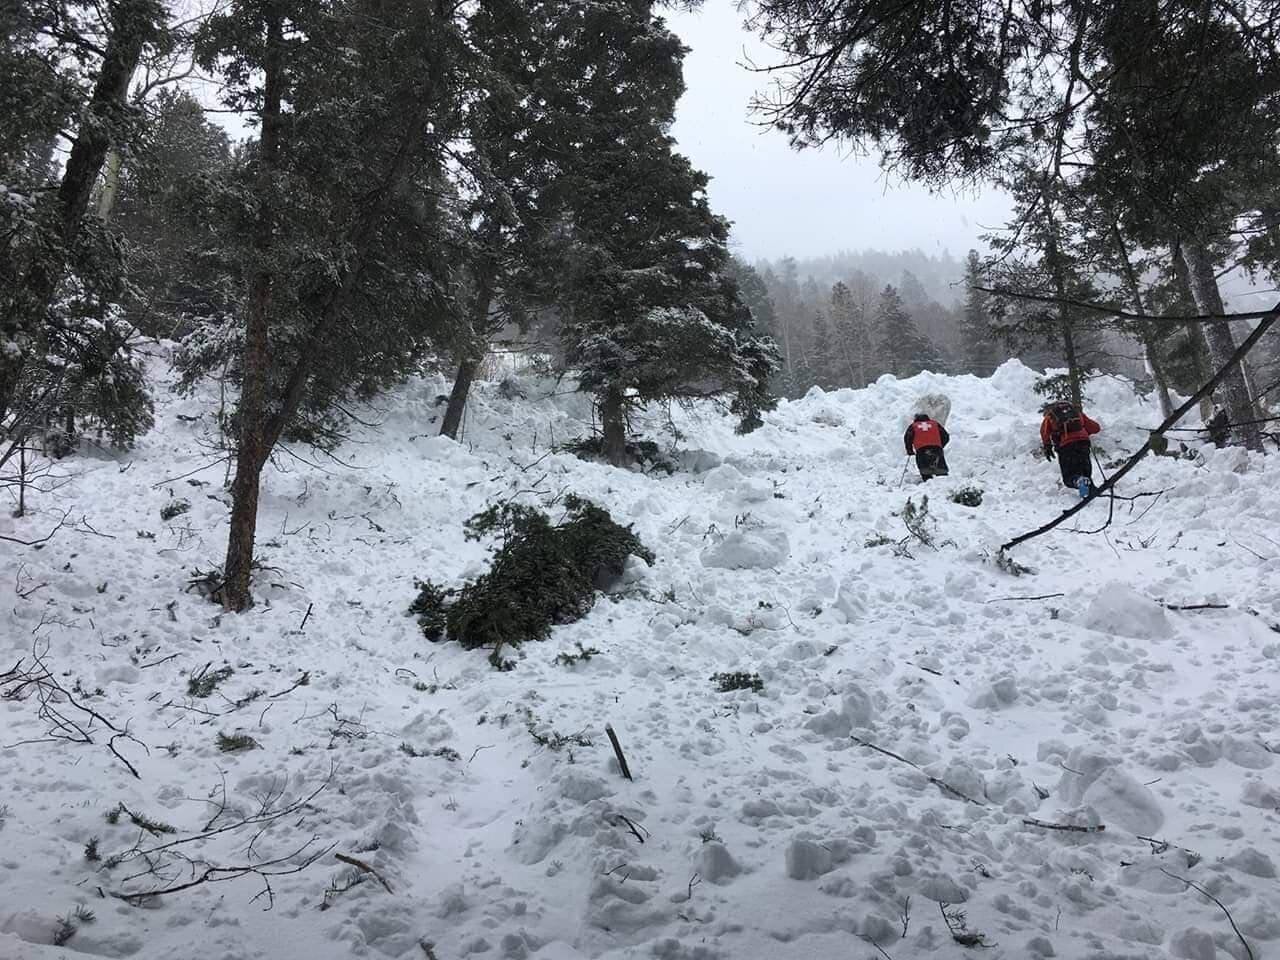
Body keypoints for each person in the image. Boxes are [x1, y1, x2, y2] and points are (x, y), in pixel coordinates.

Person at [1040, 400, 1101, 497]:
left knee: (1069, 477)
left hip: (1066, 447)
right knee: (1085, 471)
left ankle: (1082, 486)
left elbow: (1044, 432)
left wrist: (1047, 446)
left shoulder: (1050, 416)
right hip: (1083, 444)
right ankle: (1088, 492)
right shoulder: (1076, 413)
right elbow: (1095, 428)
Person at [904, 412, 949, 481]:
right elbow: (946, 436)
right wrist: (940, 446)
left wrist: (910, 451)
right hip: (936, 450)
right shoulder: (935, 424)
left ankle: (927, 484)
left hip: (921, 450)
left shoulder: (913, 426)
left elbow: (907, 438)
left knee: (925, 471)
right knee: (941, 471)